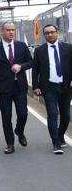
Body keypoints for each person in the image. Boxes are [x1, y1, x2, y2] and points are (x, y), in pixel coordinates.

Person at [0, 22, 32, 154]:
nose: (11, 32)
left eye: (13, 30)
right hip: (3, 88)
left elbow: (31, 62)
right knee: (6, 117)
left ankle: (19, 130)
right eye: (8, 30)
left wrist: (20, 66)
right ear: (2, 32)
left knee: (23, 114)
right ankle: (10, 143)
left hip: (20, 87)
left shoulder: (21, 46)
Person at [31, 24, 72, 153]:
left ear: (57, 33)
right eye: (47, 33)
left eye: (52, 32)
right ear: (44, 35)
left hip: (66, 87)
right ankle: (56, 143)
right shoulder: (39, 50)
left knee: (66, 116)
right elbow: (35, 70)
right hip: (49, 87)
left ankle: (60, 135)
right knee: (52, 114)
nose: (50, 34)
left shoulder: (68, 48)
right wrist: (35, 86)